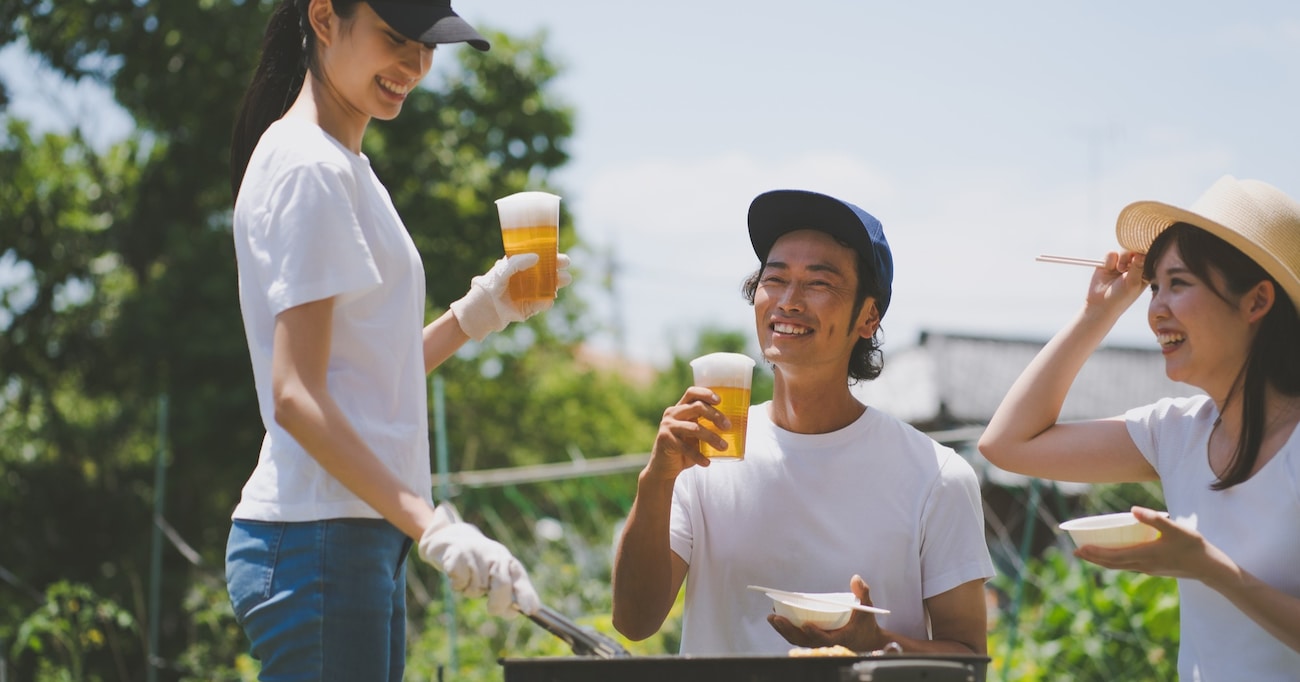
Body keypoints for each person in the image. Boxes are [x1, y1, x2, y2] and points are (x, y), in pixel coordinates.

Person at [224, 1, 568, 678]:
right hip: (320, 536)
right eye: (394, 38)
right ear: (324, 18)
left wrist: (477, 315)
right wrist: (432, 523)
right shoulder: (310, 167)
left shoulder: (345, 166)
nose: (413, 66)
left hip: (351, 532)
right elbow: (295, 395)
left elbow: (366, 374)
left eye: (427, 46)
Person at [611, 189, 994, 655]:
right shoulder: (704, 454)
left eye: (819, 283)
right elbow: (634, 621)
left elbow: (970, 661)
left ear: (868, 317)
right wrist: (657, 479)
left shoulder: (935, 476)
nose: (788, 302)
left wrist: (877, 642)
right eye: (775, 279)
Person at [978, 175, 1300, 679]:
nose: (1155, 310)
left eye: (1179, 284)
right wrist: (1097, 312)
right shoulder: (1177, 432)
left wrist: (1210, 569)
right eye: (1153, 287)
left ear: (1256, 302)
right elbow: (1007, 443)